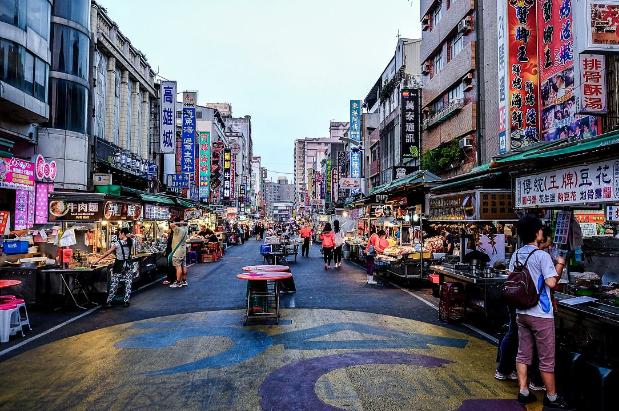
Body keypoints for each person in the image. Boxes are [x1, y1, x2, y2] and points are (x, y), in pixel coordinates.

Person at [510, 215, 569, 409]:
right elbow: (551, 283)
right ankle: (552, 397)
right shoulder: (542, 256)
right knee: (546, 357)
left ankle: (523, 391)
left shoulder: (517, 254)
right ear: (537, 233)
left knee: (523, 352)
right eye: (541, 229)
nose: (542, 232)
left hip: (521, 312)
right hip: (540, 313)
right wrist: (560, 264)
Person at [94, 227, 134, 307]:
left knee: (114, 283)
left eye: (119, 233)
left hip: (119, 265)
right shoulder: (131, 242)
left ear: (122, 233)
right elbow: (133, 237)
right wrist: (130, 235)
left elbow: (108, 252)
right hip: (128, 265)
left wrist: (98, 260)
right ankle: (126, 301)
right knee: (128, 283)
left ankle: (109, 301)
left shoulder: (117, 243)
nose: (118, 235)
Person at [169, 218, 189, 288]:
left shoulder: (178, 230)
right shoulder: (186, 229)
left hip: (177, 251)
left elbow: (171, 225)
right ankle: (184, 280)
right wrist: (183, 223)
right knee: (184, 265)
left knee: (178, 267)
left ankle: (178, 282)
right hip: (183, 250)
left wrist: (176, 222)